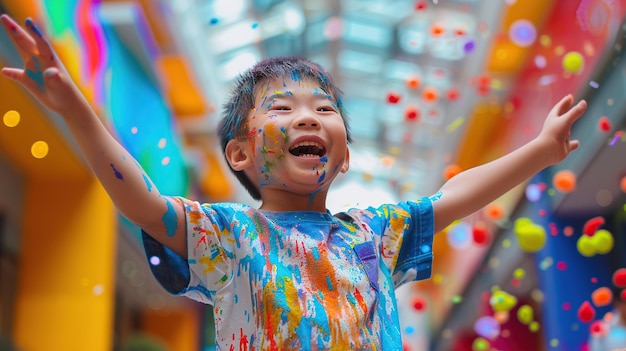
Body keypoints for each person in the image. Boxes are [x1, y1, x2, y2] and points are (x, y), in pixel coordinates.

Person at [0, 14, 588, 350]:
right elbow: (143, 204)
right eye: (281, 109)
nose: (308, 116)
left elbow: (451, 198)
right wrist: (75, 110)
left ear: (345, 157)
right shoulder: (228, 236)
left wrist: (538, 150)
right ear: (238, 153)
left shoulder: (373, 232)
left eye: (325, 110)